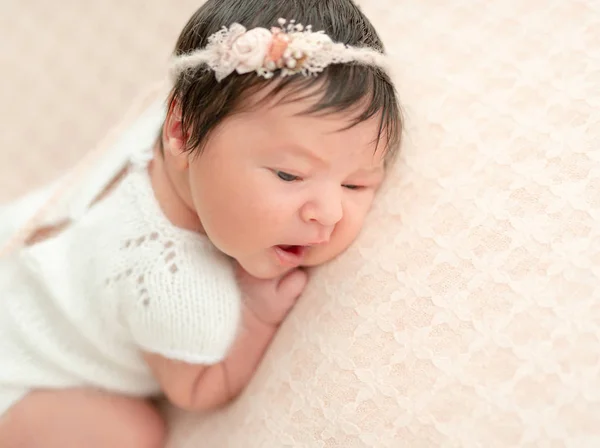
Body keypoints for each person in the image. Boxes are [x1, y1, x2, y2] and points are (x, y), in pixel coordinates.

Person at [0, 0, 402, 446]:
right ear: (182, 131)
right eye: (289, 174)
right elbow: (197, 388)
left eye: (356, 185)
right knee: (130, 432)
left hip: (20, 253)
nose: (328, 212)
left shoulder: (165, 129)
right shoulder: (172, 280)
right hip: (20, 369)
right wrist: (256, 317)